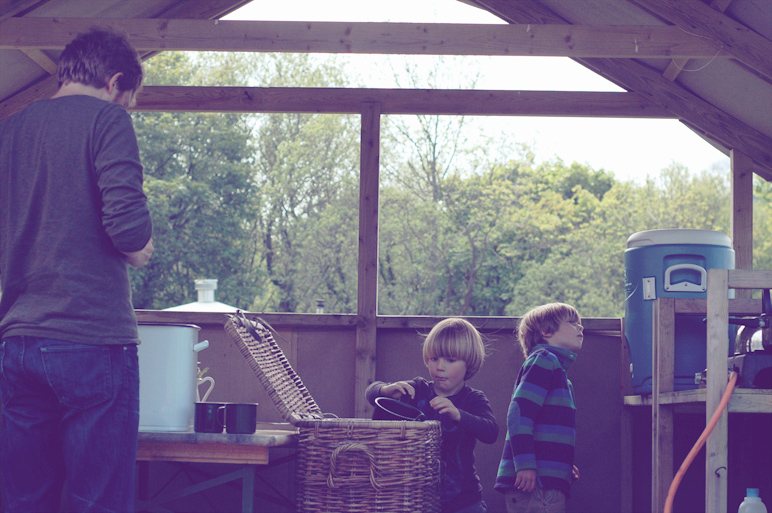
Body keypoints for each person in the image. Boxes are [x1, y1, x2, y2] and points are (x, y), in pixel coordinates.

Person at [0, 27, 153, 512]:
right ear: (115, 82)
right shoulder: (107, 119)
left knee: (23, 500)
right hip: (91, 339)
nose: (125, 108)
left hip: (18, 342)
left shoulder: (10, 129)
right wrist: (140, 250)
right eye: (128, 99)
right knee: (98, 501)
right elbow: (128, 230)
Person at [366, 317, 499, 513]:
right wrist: (386, 390)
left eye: (450, 360)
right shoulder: (418, 390)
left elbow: (491, 432)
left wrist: (458, 414)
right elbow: (371, 393)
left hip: (465, 501)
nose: (440, 366)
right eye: (434, 358)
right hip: (416, 500)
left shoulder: (473, 399)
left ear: (469, 364)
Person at [494, 303, 583, 513]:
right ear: (546, 331)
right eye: (572, 322)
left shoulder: (560, 376)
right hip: (535, 485)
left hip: (545, 481)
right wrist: (525, 464)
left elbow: (548, 429)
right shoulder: (544, 360)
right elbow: (519, 415)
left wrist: (560, 464)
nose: (580, 327)